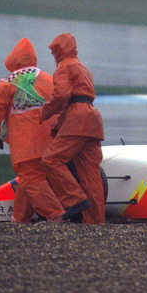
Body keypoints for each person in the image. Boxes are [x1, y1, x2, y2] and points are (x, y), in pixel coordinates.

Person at [0, 38, 66, 223]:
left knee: (30, 178)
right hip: (52, 139)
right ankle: (19, 219)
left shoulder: (7, 83)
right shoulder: (49, 79)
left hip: (25, 142)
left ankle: (56, 214)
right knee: (30, 179)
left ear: (12, 61)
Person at [40, 33, 105, 224]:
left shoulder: (64, 66)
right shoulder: (83, 68)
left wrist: (45, 112)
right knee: (90, 173)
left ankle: (75, 200)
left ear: (60, 50)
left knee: (51, 160)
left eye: (54, 51)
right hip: (93, 118)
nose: (53, 55)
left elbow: (61, 96)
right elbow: (80, 96)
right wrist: (60, 121)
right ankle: (95, 222)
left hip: (78, 118)